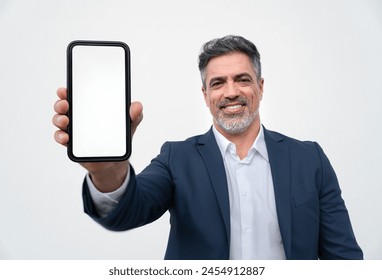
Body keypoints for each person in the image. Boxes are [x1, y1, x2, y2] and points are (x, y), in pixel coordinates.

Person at [53, 35, 363, 260]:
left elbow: (344, 258)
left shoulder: (309, 159)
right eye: (218, 83)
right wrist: (108, 169)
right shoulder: (177, 159)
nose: (231, 92)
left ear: (261, 87)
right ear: (205, 94)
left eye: (242, 79)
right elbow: (129, 212)